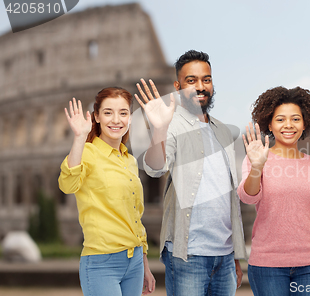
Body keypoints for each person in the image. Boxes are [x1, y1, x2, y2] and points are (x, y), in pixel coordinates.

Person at [134, 50, 246, 296]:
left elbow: (229, 198)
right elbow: (154, 168)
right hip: (188, 254)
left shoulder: (224, 132)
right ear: (178, 86)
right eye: (191, 80)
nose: (200, 86)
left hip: (225, 256)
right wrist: (160, 129)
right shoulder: (172, 125)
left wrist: (235, 256)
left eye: (206, 79)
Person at [58, 88, 155, 296]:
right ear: (97, 117)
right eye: (108, 112)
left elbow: (136, 217)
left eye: (123, 113)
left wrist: (144, 264)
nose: (116, 120)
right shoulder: (88, 152)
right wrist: (79, 138)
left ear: (130, 118)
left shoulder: (129, 160)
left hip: (135, 261)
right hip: (102, 262)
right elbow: (67, 184)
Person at [237, 86, 310, 296]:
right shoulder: (256, 158)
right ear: (269, 124)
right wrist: (257, 168)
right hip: (268, 265)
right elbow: (247, 197)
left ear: (304, 123)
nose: (288, 125)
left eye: (295, 119)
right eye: (280, 119)